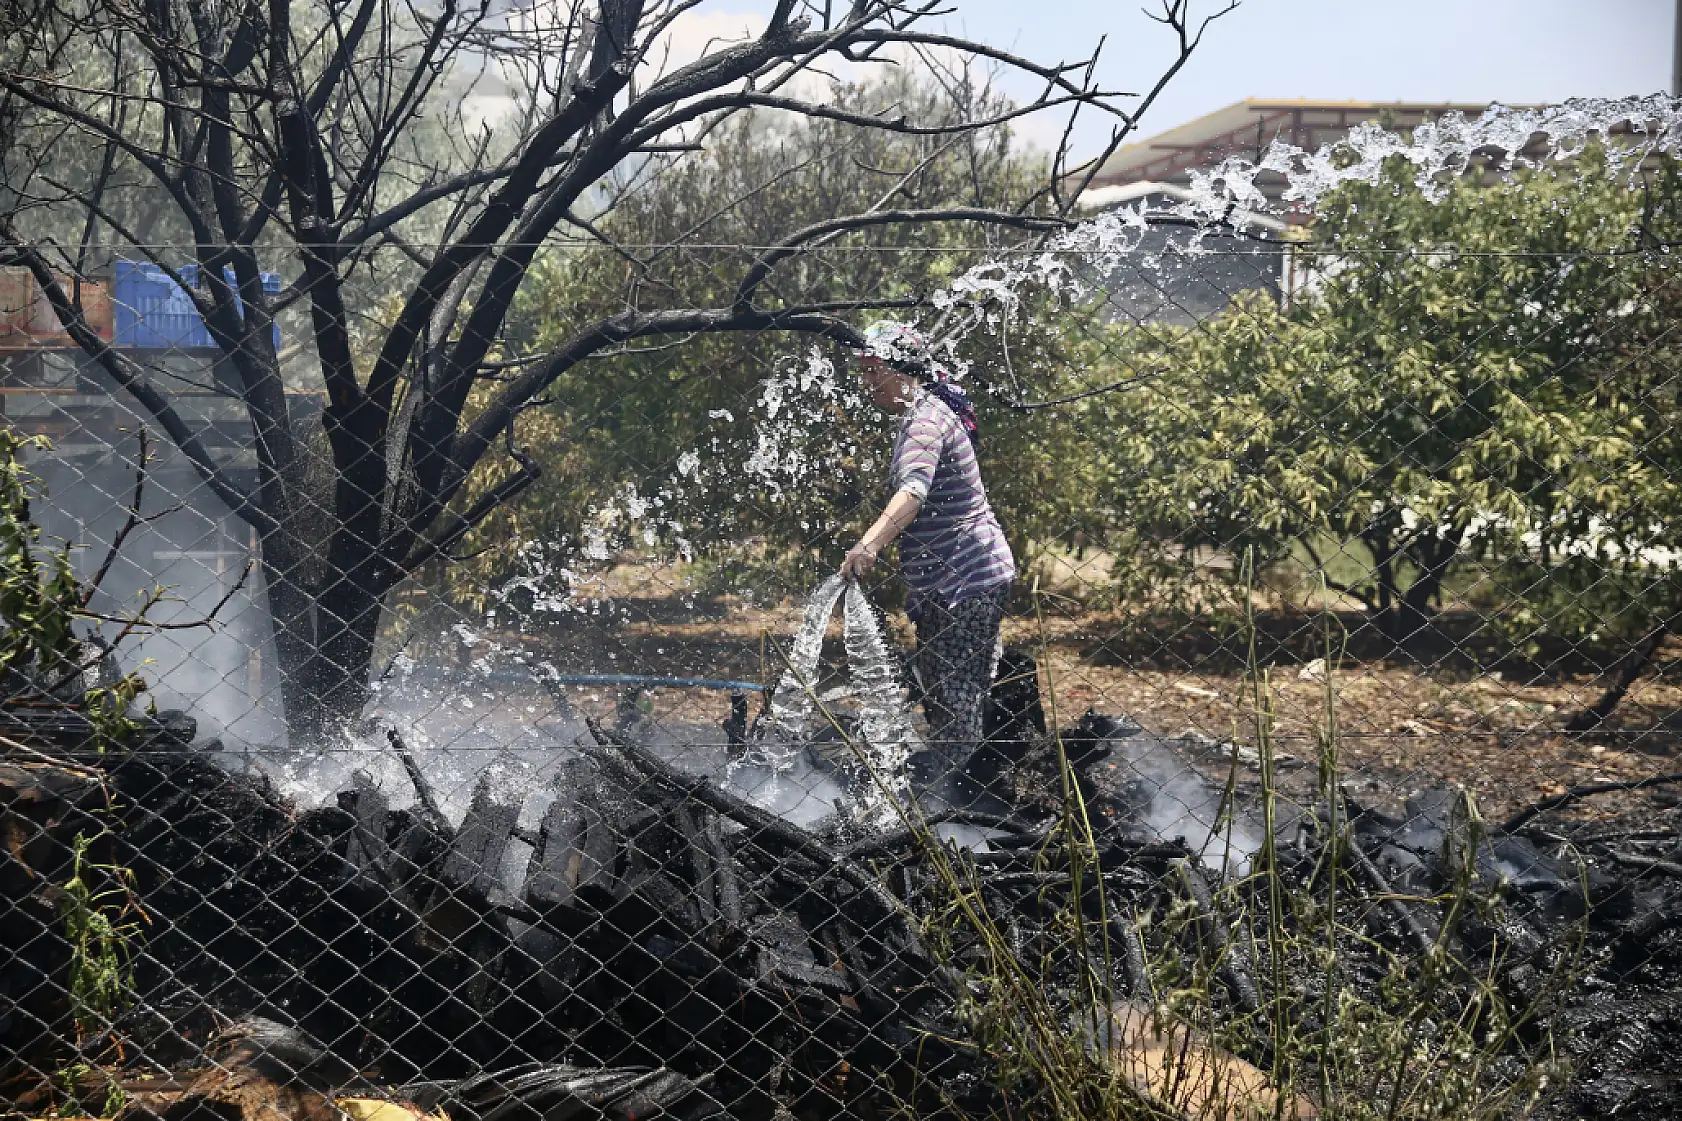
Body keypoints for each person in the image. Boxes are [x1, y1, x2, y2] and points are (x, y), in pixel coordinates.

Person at [839, 321, 1015, 801]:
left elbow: (913, 493)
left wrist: (868, 545)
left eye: (873, 371)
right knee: (945, 688)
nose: (867, 383)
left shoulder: (924, 422)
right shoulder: (931, 411)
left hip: (966, 581)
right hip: (958, 578)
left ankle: (958, 806)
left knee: (955, 697)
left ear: (899, 370)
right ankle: (957, 791)